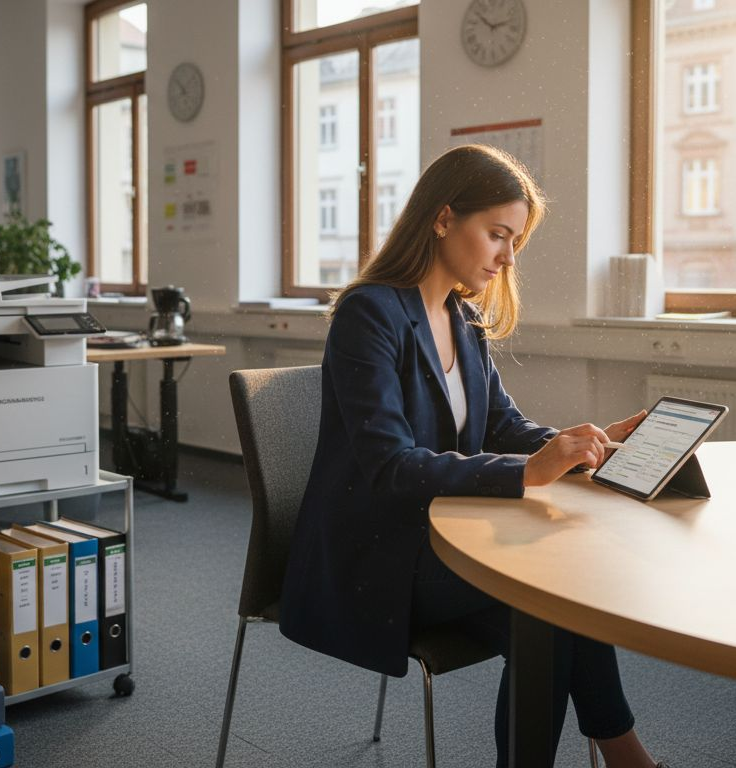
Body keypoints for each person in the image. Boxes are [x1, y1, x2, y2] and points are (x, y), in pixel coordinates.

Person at [279, 144, 667, 767]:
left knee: (555, 611)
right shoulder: (368, 314)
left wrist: (579, 446)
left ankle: (626, 759)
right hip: (378, 554)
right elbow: (391, 465)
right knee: (551, 599)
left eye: (515, 241)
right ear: (442, 218)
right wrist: (529, 471)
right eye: (497, 235)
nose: (508, 257)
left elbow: (504, 425)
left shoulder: (463, 318)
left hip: (442, 534)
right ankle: (629, 760)